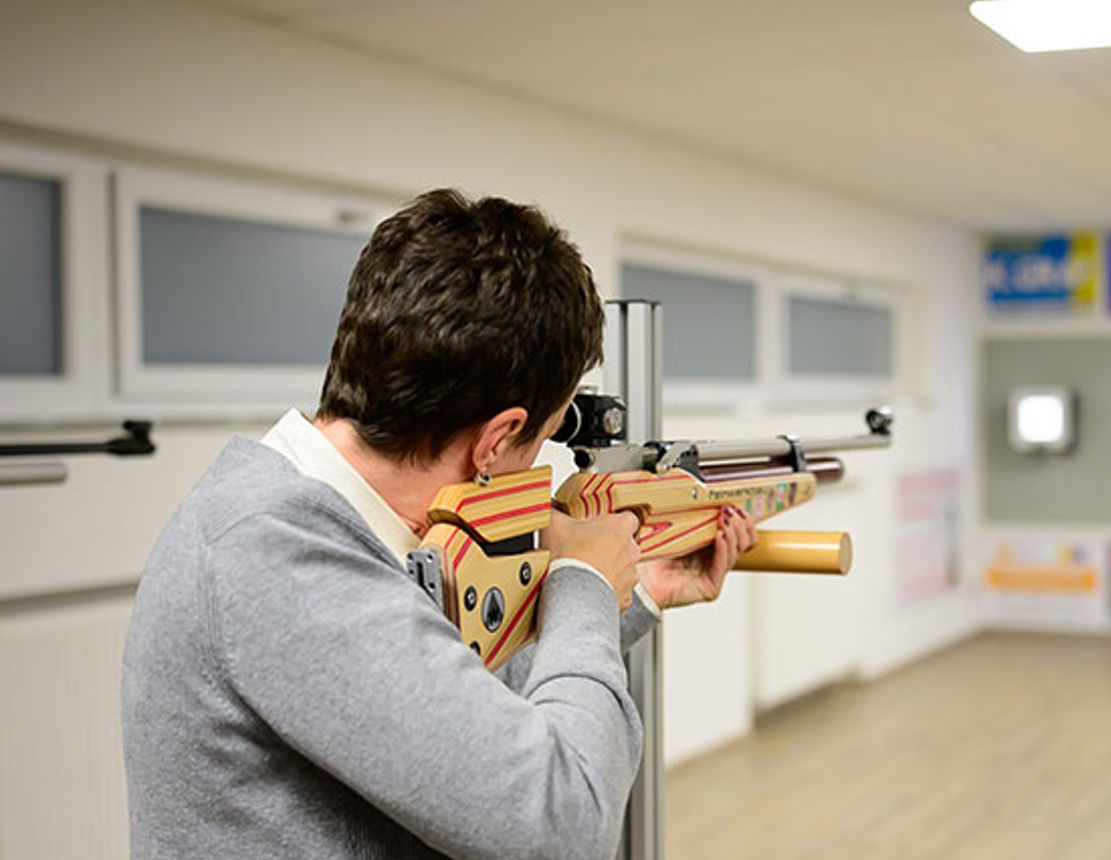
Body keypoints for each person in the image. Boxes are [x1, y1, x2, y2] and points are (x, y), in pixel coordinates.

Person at [121, 189, 756, 860]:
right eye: (543, 435)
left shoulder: (318, 526)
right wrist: (583, 583)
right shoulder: (281, 555)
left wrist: (639, 589)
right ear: (496, 438)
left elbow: (460, 726)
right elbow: (564, 826)